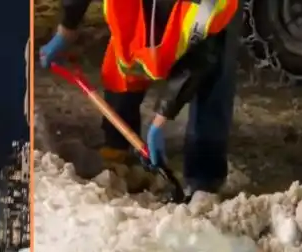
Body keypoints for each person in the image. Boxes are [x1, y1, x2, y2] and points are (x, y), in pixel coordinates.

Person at [39, 0, 241, 198]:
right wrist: (67, 29)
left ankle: (203, 179)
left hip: (209, 26)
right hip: (145, 15)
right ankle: (117, 150)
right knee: (124, 55)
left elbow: (205, 57)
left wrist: (162, 118)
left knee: (214, 81)